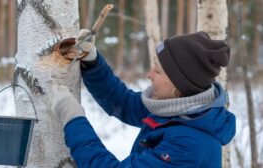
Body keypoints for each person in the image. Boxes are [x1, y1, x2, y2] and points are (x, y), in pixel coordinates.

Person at [48, 30, 236, 168]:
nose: (149, 74)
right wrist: (92, 61)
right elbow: (123, 102)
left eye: (158, 71)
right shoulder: (178, 111)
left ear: (178, 86)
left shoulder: (189, 144)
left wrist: (72, 118)